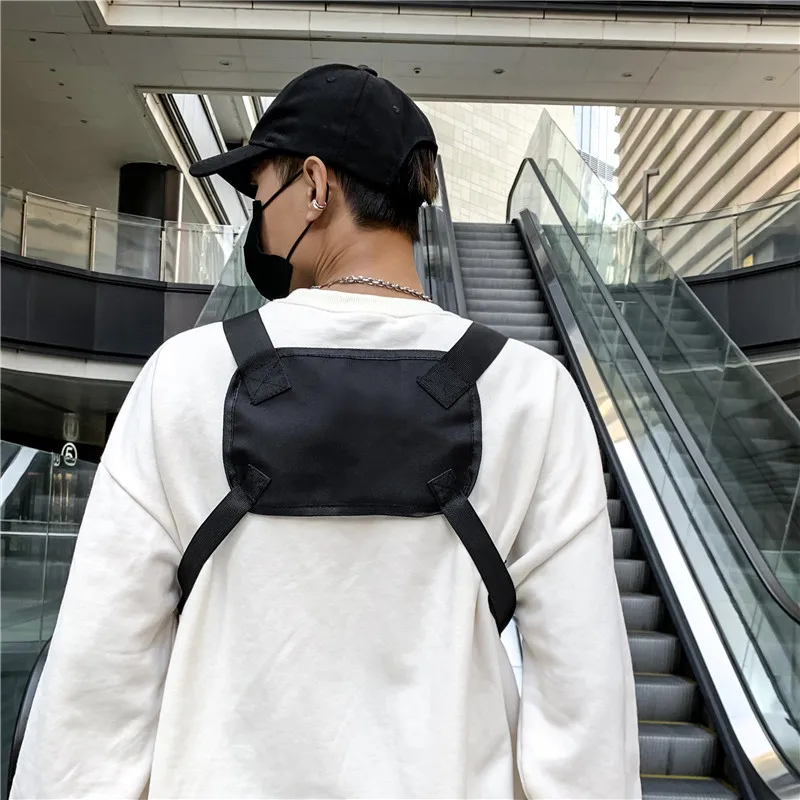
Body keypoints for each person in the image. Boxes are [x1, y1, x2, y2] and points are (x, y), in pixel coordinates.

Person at [11, 64, 640, 798]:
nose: (258, 221)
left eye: (260, 194)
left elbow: (95, 694)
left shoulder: (183, 379)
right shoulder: (533, 394)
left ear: (314, 186)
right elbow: (585, 712)